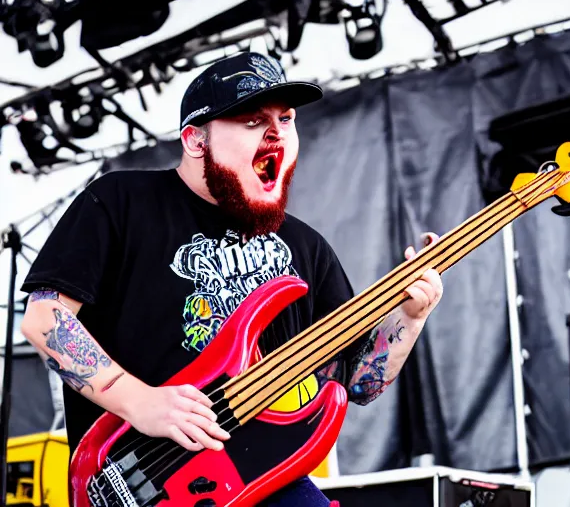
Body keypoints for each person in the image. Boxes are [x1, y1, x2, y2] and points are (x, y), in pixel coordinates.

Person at [19, 52, 443, 506]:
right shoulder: (121, 201)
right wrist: (140, 402)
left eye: (286, 118)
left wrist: (410, 317)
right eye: (251, 121)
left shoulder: (306, 248)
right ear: (195, 141)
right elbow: (45, 318)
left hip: (263, 477)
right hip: (139, 477)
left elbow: (358, 383)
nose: (276, 132)